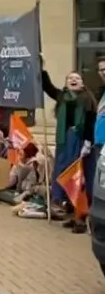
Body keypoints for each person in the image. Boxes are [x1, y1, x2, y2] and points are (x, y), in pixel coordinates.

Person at [42, 66, 96, 233]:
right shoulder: (61, 97)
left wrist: (88, 141)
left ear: (82, 83)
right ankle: (64, 205)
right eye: (70, 78)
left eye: (77, 78)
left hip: (81, 141)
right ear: (66, 83)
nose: (73, 80)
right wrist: (41, 68)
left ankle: (81, 216)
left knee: (79, 176)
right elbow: (47, 86)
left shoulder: (87, 99)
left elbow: (91, 121)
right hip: (64, 141)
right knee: (63, 172)